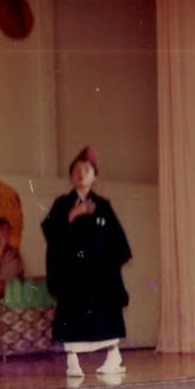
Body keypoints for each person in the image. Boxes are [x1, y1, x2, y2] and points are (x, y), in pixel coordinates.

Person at [41, 146, 132, 377]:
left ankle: (113, 355)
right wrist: (73, 215)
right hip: (72, 271)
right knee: (72, 316)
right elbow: (50, 231)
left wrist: (118, 260)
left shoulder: (103, 205)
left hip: (99, 273)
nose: (81, 174)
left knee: (105, 315)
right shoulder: (62, 203)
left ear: (95, 177)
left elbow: (116, 238)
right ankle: (72, 361)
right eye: (77, 170)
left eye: (87, 170)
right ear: (71, 176)